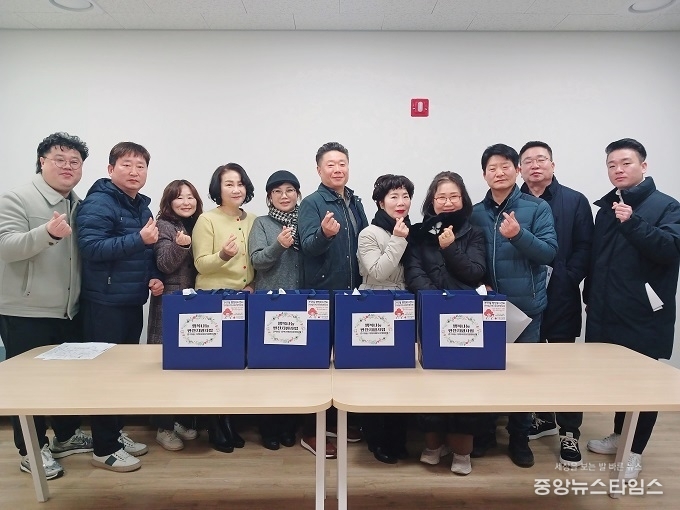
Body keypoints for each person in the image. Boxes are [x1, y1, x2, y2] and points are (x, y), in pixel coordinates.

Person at [584, 138, 680, 479]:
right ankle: (619, 436)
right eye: (612, 165)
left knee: (644, 383)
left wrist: (634, 222)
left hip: (644, 312)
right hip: (606, 309)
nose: (618, 170)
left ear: (643, 165)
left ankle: (634, 451)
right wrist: (589, 297)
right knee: (617, 379)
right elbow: (597, 260)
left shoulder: (667, 207)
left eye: (626, 163)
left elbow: (670, 250)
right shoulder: (607, 209)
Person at [0, 132, 93, 480]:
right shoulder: (16, 198)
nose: (68, 166)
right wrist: (48, 233)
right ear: (42, 162)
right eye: (60, 159)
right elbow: (6, 247)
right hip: (25, 310)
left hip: (69, 309)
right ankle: (31, 449)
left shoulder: (79, 204)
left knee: (66, 379)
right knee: (27, 385)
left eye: (75, 162)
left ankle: (65, 436)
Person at [77, 141, 163, 472]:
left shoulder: (141, 206)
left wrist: (153, 276)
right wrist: (138, 239)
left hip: (130, 300)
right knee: (104, 376)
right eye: (127, 164)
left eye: (141, 166)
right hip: (103, 303)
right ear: (111, 169)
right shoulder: (100, 202)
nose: (134, 171)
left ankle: (114, 434)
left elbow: (146, 251)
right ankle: (104, 448)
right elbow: (91, 248)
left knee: (122, 374)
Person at [469, 143, 557, 468]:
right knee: (485, 373)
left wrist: (519, 234)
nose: (499, 172)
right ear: (484, 174)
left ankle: (519, 438)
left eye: (505, 166)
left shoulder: (536, 208)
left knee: (523, 378)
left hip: (526, 309)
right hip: (487, 309)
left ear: (517, 170)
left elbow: (549, 253)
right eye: (492, 168)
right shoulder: (475, 213)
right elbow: (469, 258)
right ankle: (485, 434)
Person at [404, 171, 487, 475]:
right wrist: (437, 301)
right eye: (441, 197)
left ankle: (462, 451)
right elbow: (413, 273)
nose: (448, 202)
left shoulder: (474, 232)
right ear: (432, 201)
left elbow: (475, 272)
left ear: (463, 200)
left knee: (464, 385)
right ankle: (433, 444)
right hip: (430, 313)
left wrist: (450, 248)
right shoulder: (418, 234)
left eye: (454, 196)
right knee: (429, 382)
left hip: (465, 318)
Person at [519, 141, 594, 468]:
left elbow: (586, 246)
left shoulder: (574, 200)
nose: (535, 165)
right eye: (528, 161)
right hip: (524, 297)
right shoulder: (513, 201)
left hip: (562, 295)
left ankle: (569, 431)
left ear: (553, 164)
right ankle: (541, 417)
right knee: (529, 363)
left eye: (541, 159)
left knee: (564, 366)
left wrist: (567, 276)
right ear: (520, 168)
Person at [298, 141, 369, 458]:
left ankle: (336, 424)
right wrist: (325, 235)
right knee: (317, 366)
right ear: (319, 170)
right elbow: (308, 246)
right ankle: (310, 432)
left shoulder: (354, 201)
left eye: (342, 163)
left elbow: (364, 242)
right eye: (331, 164)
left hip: (352, 295)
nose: (337, 169)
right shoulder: (312, 203)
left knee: (345, 363)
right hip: (322, 294)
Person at [193, 162, 255, 453]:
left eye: (240, 183)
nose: (236, 189)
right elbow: (200, 264)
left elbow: (257, 259)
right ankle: (215, 424)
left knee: (237, 366)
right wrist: (223, 255)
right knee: (216, 367)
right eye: (229, 183)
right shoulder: (207, 220)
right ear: (218, 189)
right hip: (214, 300)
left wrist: (252, 282)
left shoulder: (253, 219)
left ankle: (229, 421)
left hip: (245, 300)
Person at [357, 174, 414, 465]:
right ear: (381, 202)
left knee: (402, 375)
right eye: (393, 196)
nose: (400, 202)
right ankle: (376, 438)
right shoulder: (369, 233)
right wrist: (398, 240)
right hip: (375, 305)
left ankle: (398, 437)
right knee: (375, 377)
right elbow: (378, 272)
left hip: (404, 305)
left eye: (405, 196)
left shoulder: (409, 229)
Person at [248, 170, 303, 451]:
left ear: (298, 195)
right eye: (277, 191)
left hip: (302, 303)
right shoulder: (262, 223)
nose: (284, 196)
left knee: (297, 369)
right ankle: (268, 427)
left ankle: (289, 426)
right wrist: (279, 245)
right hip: (270, 304)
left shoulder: (307, 221)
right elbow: (258, 261)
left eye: (289, 190)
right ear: (269, 197)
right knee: (269, 369)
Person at [146, 179, 203, 451]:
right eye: (179, 197)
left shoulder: (198, 223)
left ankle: (179, 419)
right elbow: (163, 263)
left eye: (190, 197)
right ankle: (163, 427)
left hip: (193, 302)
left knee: (188, 364)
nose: (186, 202)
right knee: (166, 366)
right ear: (169, 202)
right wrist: (180, 246)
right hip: (169, 302)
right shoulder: (164, 225)